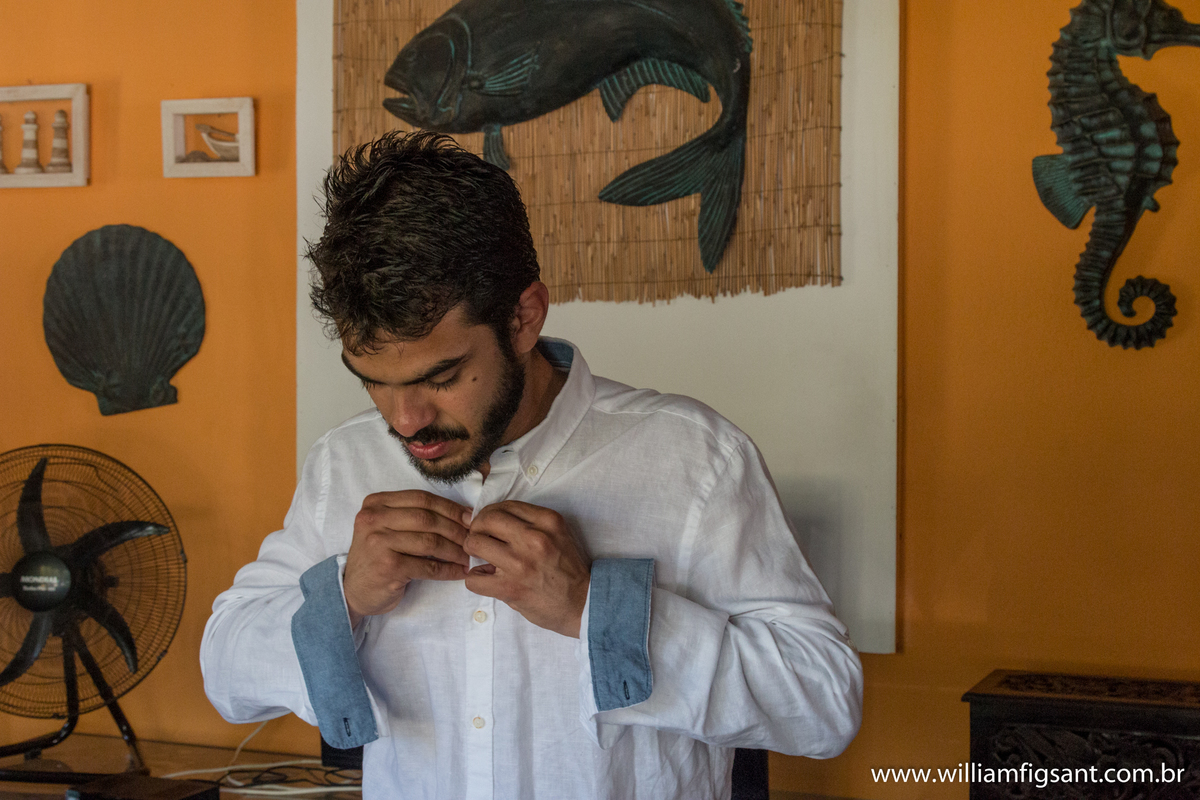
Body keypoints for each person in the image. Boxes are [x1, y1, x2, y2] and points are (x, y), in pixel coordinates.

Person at [200, 131, 862, 800]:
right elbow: (226, 678)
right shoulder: (344, 465)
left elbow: (824, 704)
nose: (403, 421)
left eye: (443, 374)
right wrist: (344, 596)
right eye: (371, 380)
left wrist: (596, 611)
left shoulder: (695, 459)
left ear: (523, 317)